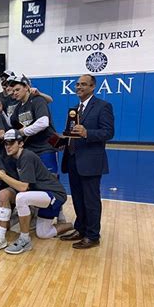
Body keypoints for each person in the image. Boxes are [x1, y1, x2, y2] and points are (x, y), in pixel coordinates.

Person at [0, 129, 72, 254]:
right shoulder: (13, 159)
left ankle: (25, 240)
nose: (7, 146)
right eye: (6, 143)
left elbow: (23, 187)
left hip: (54, 194)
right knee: (43, 233)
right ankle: (72, 226)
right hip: (41, 195)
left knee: (21, 197)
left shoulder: (26, 156)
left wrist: (1, 176)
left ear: (21, 143)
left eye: (11, 143)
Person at [60, 74, 114, 249]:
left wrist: (87, 133)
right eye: (77, 84)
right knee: (77, 198)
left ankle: (93, 236)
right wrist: (64, 141)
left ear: (93, 87)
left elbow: (108, 133)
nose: (79, 87)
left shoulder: (103, 106)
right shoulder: (75, 109)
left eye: (83, 84)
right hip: (73, 159)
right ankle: (80, 228)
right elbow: (72, 132)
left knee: (91, 200)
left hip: (90, 162)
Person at [9, 76, 58, 174]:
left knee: (51, 180)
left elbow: (43, 123)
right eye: (13, 91)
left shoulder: (37, 100)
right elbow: (12, 124)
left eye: (17, 90)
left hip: (45, 148)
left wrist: (23, 131)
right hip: (29, 151)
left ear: (26, 87)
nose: (15, 93)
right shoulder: (18, 108)